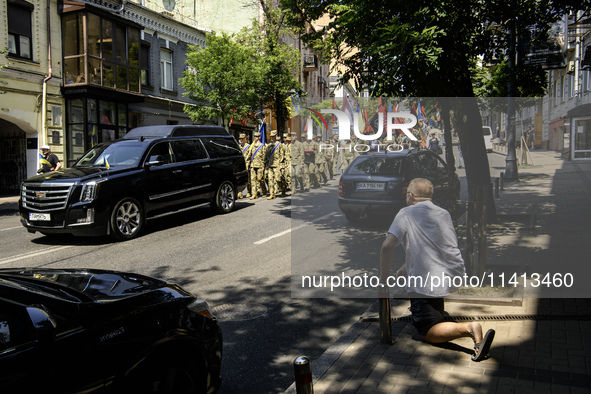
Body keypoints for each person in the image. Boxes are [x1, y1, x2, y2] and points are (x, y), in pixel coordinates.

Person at [379, 178, 495, 362]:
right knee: (432, 312)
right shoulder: (443, 213)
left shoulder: (406, 213)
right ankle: (442, 321)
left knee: (427, 331)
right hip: (449, 273)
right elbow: (431, 245)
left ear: (410, 196)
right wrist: (405, 267)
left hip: (427, 280)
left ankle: (470, 329)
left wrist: (383, 281)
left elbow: (387, 246)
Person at [246, 131, 267, 199]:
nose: (255, 138)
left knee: (260, 179)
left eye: (256, 137)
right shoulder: (252, 146)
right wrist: (247, 164)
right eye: (254, 137)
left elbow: (264, 156)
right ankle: (254, 194)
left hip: (259, 165)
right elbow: (249, 157)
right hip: (253, 165)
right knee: (253, 180)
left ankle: (264, 191)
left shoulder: (262, 146)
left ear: (259, 137)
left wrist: (263, 166)